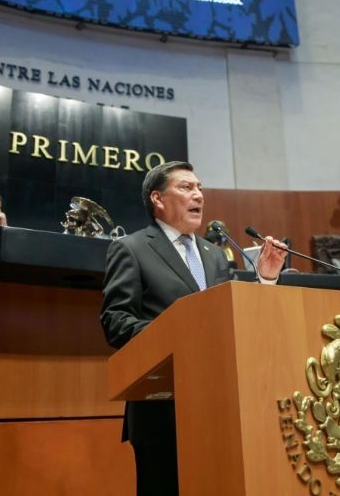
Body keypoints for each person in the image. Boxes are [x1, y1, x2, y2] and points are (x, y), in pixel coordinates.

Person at [99, 161, 286, 496]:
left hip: (220, 403)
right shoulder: (131, 248)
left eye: (199, 187)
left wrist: (265, 280)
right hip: (163, 410)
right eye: (186, 187)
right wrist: (181, 335)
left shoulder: (215, 255)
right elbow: (116, 321)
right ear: (157, 199)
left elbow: (230, 321)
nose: (198, 194)